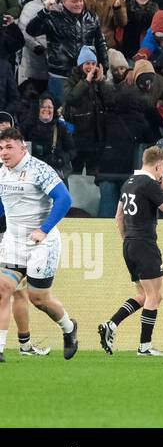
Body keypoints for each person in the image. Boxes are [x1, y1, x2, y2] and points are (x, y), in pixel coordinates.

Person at [0, 126, 80, 361]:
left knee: (38, 298)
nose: (4, 153)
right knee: (3, 289)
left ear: (22, 147)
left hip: (41, 243)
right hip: (14, 241)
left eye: (9, 147)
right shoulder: (2, 173)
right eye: (1, 148)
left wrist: (44, 230)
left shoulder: (38, 169)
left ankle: (69, 328)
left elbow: (64, 199)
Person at [97, 145, 163, 356]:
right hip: (145, 243)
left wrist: (127, 240)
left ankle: (111, 325)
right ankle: (145, 346)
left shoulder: (128, 183)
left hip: (130, 243)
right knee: (155, 296)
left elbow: (119, 216)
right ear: (158, 166)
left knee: (143, 295)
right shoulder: (150, 184)